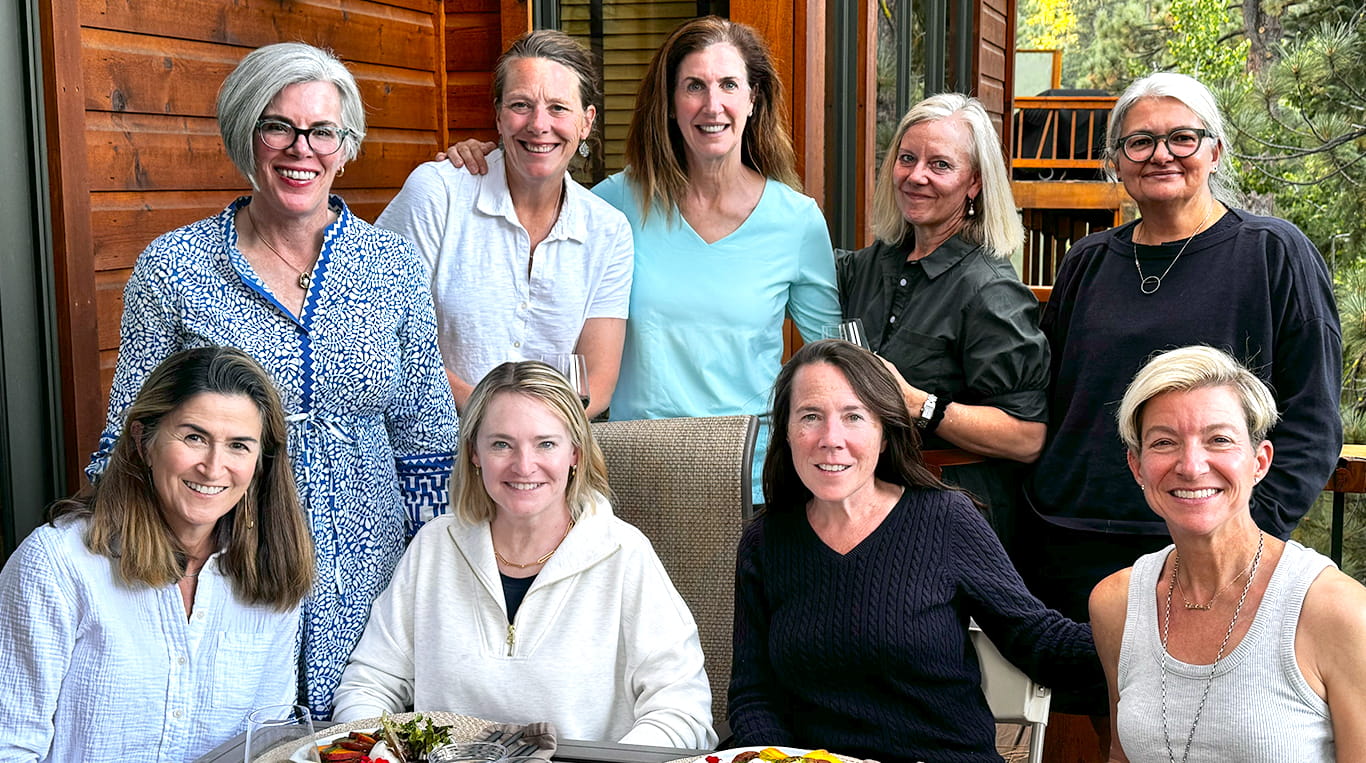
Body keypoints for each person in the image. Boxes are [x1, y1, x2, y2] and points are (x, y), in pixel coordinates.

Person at [88, 42, 459, 717]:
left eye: (323, 130)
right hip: (229, 560)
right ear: (245, 135)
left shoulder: (393, 266)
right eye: (277, 126)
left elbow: (427, 433)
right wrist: (115, 566)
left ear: (345, 146)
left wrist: (440, 573)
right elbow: (130, 431)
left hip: (371, 566)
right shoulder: (173, 268)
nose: (301, 148)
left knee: (366, 735)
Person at [446, 16, 839, 504]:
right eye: (693, 86)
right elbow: (538, 189)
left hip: (751, 478)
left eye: (728, 85)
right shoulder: (612, 207)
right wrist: (488, 156)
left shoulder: (797, 221)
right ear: (672, 104)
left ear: (753, 99)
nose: (711, 105)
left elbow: (833, 360)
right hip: (628, 468)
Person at [1020, 72, 1342, 628]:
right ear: (1116, 162)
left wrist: (1244, 531)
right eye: (1139, 142)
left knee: (1204, 711)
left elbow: (1313, 420)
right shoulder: (1088, 261)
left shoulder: (1273, 254)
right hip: (1074, 539)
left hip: (1207, 541)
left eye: (1182, 138)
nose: (1160, 155)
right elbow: (1048, 397)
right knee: (1100, 708)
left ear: (1214, 151)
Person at [729, 340, 1101, 763]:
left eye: (854, 417)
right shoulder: (765, 540)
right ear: (788, 432)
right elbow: (752, 695)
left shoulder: (945, 518)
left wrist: (1152, 629)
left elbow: (1039, 641)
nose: (831, 439)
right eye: (811, 417)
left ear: (884, 435)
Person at [332, 361, 717, 748]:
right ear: (474, 454)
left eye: (546, 443)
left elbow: (682, 708)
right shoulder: (434, 547)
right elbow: (370, 683)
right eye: (501, 443)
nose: (524, 465)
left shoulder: (625, 554)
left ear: (575, 454)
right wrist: (377, 753)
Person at [0, 347, 314, 762]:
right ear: (142, 441)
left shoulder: (272, 571)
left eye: (239, 445)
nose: (213, 466)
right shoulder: (58, 564)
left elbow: (270, 746)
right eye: (194, 437)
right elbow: (10, 745)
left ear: (260, 462)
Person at [1090, 345, 1366, 762]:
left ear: (1259, 461)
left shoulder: (1335, 610)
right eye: (1164, 442)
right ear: (1137, 466)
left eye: (1219, 439)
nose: (1191, 465)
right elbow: (1120, 755)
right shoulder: (1116, 603)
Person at [376, 31, 632, 418]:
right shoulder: (438, 194)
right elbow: (384, 336)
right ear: (498, 116)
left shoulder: (609, 231)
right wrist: (498, 423)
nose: (538, 124)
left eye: (559, 108)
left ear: (586, 122)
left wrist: (530, 437)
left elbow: (596, 380)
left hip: (551, 452)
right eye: (520, 105)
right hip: (437, 449)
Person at [836, 93, 1047, 549]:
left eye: (940, 165)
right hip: (869, 510)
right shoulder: (876, 263)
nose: (916, 176)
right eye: (907, 159)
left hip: (953, 523)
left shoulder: (990, 289)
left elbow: (1027, 436)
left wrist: (917, 403)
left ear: (974, 183)